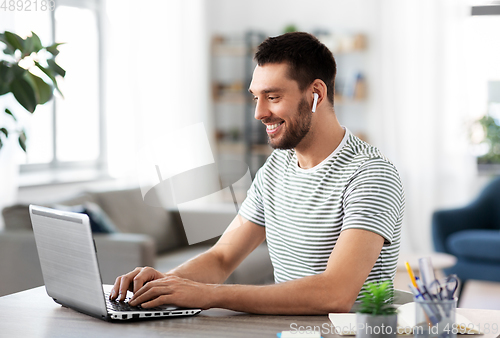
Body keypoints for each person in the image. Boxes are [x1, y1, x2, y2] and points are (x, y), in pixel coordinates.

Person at [110, 32, 404, 314]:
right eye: (256, 98)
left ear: (316, 93)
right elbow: (222, 257)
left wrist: (211, 295)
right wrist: (164, 284)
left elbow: (335, 293)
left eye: (272, 97)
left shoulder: (371, 175)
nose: (259, 113)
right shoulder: (276, 169)